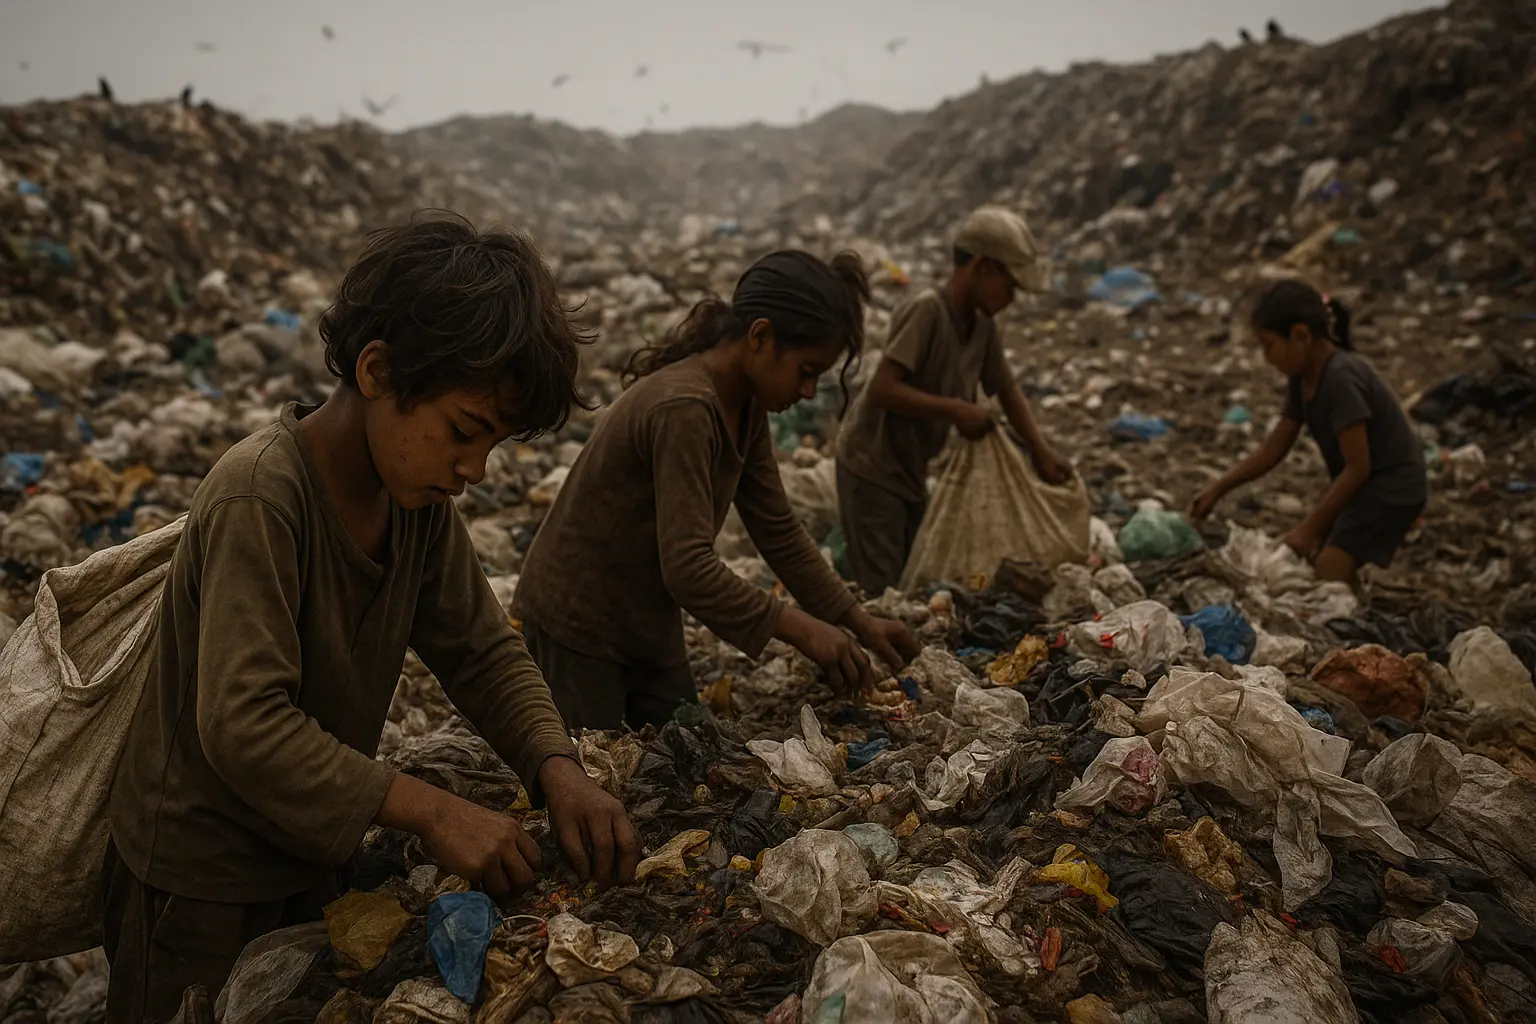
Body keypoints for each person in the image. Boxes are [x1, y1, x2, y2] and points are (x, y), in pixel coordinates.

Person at [104, 213, 641, 1023]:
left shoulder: (414, 503)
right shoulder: (262, 495)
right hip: (196, 886)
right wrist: (434, 812)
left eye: (492, 446)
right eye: (464, 432)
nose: (473, 468)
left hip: (307, 855)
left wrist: (556, 766)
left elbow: (481, 651)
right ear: (378, 369)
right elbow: (243, 724)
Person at [513, 250, 921, 732]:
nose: (809, 391)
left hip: (645, 621)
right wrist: (801, 629)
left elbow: (778, 530)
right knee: (594, 765)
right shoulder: (686, 408)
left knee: (688, 752)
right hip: (576, 624)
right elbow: (688, 568)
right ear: (760, 336)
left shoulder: (745, 406)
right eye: (807, 370)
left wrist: (858, 621)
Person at [834, 205, 1072, 595]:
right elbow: (882, 389)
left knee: (909, 576)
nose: (1011, 298)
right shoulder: (927, 310)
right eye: (1009, 286)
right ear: (981, 267)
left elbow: (1006, 388)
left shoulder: (982, 326)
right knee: (882, 587)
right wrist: (957, 410)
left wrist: (1040, 450)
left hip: (910, 468)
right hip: (870, 465)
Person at [1189, 279, 1428, 585]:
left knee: (1329, 566)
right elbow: (1275, 447)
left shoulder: (1341, 378)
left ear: (1300, 335)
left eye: (1269, 345)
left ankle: (1351, 607)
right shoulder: (1303, 378)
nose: (1267, 357)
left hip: (1393, 488)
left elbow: (1358, 468)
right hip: (1365, 485)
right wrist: (1217, 489)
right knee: (1320, 558)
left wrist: (1308, 530)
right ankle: (1351, 593)